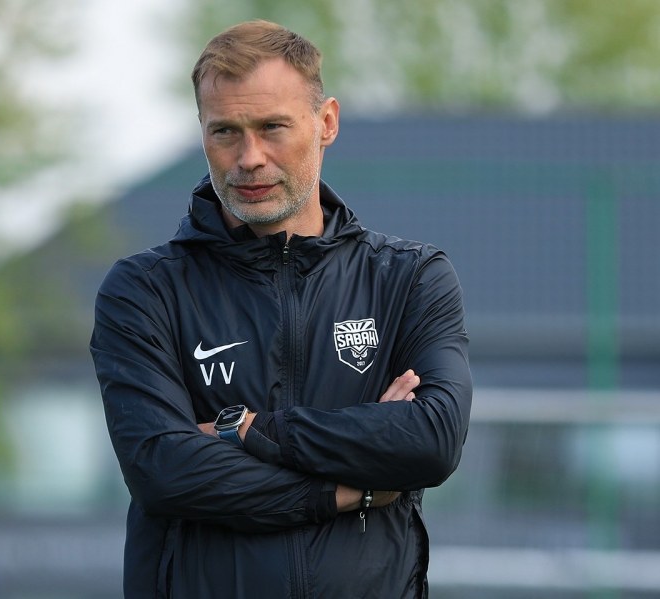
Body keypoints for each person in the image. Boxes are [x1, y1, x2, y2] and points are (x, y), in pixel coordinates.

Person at [90, 19, 472, 599]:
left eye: (272, 127)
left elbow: (431, 440)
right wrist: (346, 489)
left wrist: (248, 431)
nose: (249, 157)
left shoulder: (409, 277)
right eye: (225, 131)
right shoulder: (145, 290)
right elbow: (163, 469)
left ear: (326, 123)